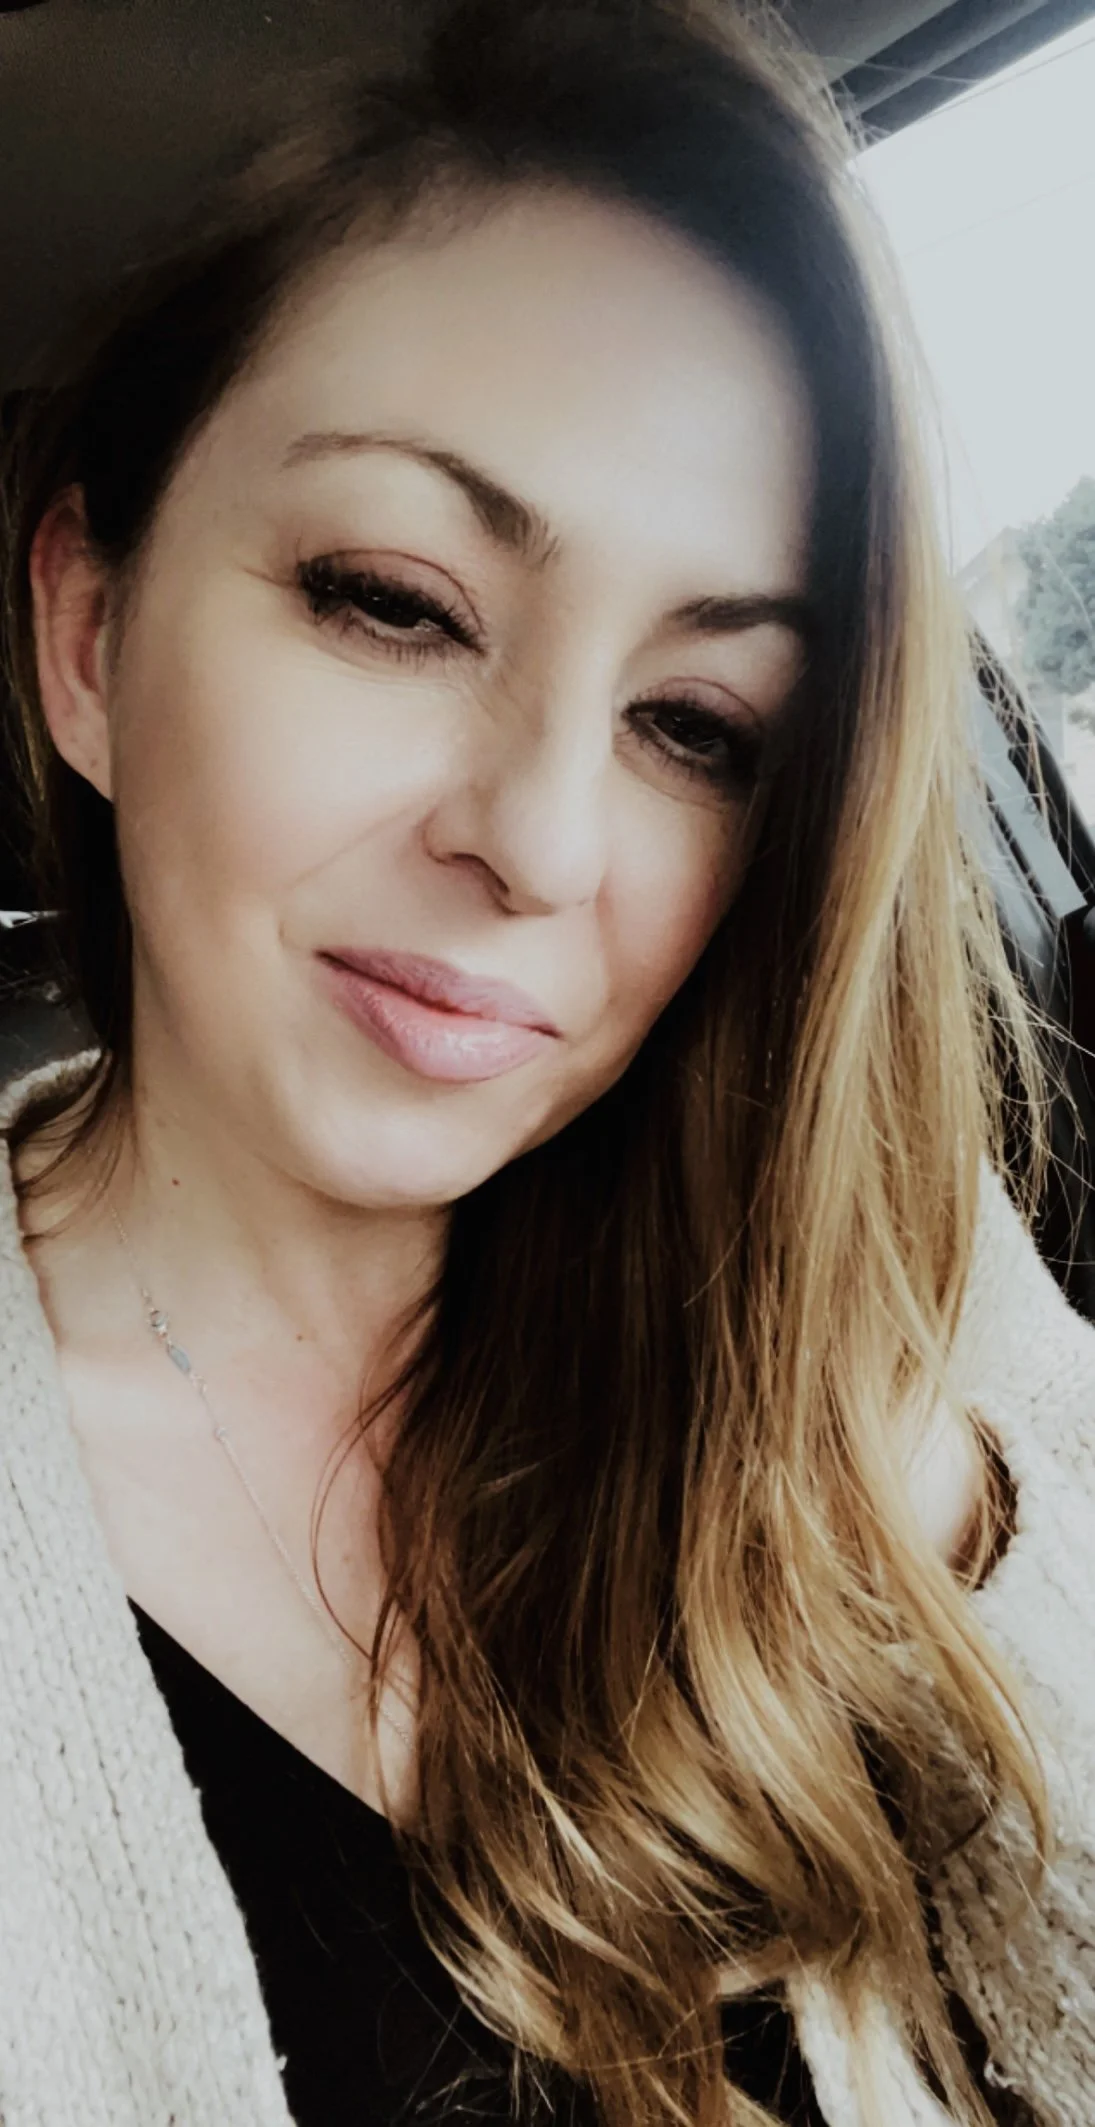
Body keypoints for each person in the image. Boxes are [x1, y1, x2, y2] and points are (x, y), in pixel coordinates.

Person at [0, 0, 1092, 2120]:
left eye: (700, 730)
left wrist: (926, 1491)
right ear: (90, 635)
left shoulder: (901, 1297)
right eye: (394, 599)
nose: (541, 841)